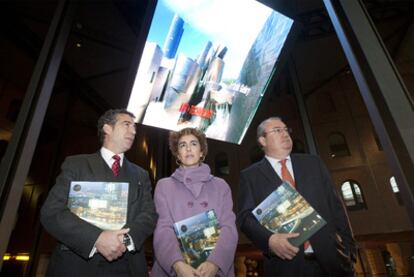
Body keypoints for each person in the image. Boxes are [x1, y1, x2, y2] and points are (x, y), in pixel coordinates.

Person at [40, 109, 158, 277]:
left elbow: (149, 215)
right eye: (127, 125)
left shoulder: (141, 174)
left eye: (134, 128)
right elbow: (52, 211)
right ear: (107, 128)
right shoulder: (76, 164)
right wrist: (97, 238)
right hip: (76, 266)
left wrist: (125, 240)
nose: (133, 131)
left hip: (127, 268)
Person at [237, 117, 356, 277]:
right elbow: (245, 219)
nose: (285, 134)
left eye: (286, 130)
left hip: (333, 263)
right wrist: (269, 240)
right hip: (286, 267)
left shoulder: (313, 163)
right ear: (262, 140)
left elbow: (336, 207)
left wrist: (350, 250)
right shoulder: (250, 176)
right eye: (278, 130)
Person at [151, 127, 238, 277]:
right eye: (182, 145)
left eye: (194, 144)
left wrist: (214, 263)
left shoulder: (221, 185)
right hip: (175, 269)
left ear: (202, 151)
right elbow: (163, 229)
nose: (188, 148)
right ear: (178, 154)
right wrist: (177, 265)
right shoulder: (164, 186)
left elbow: (229, 227)